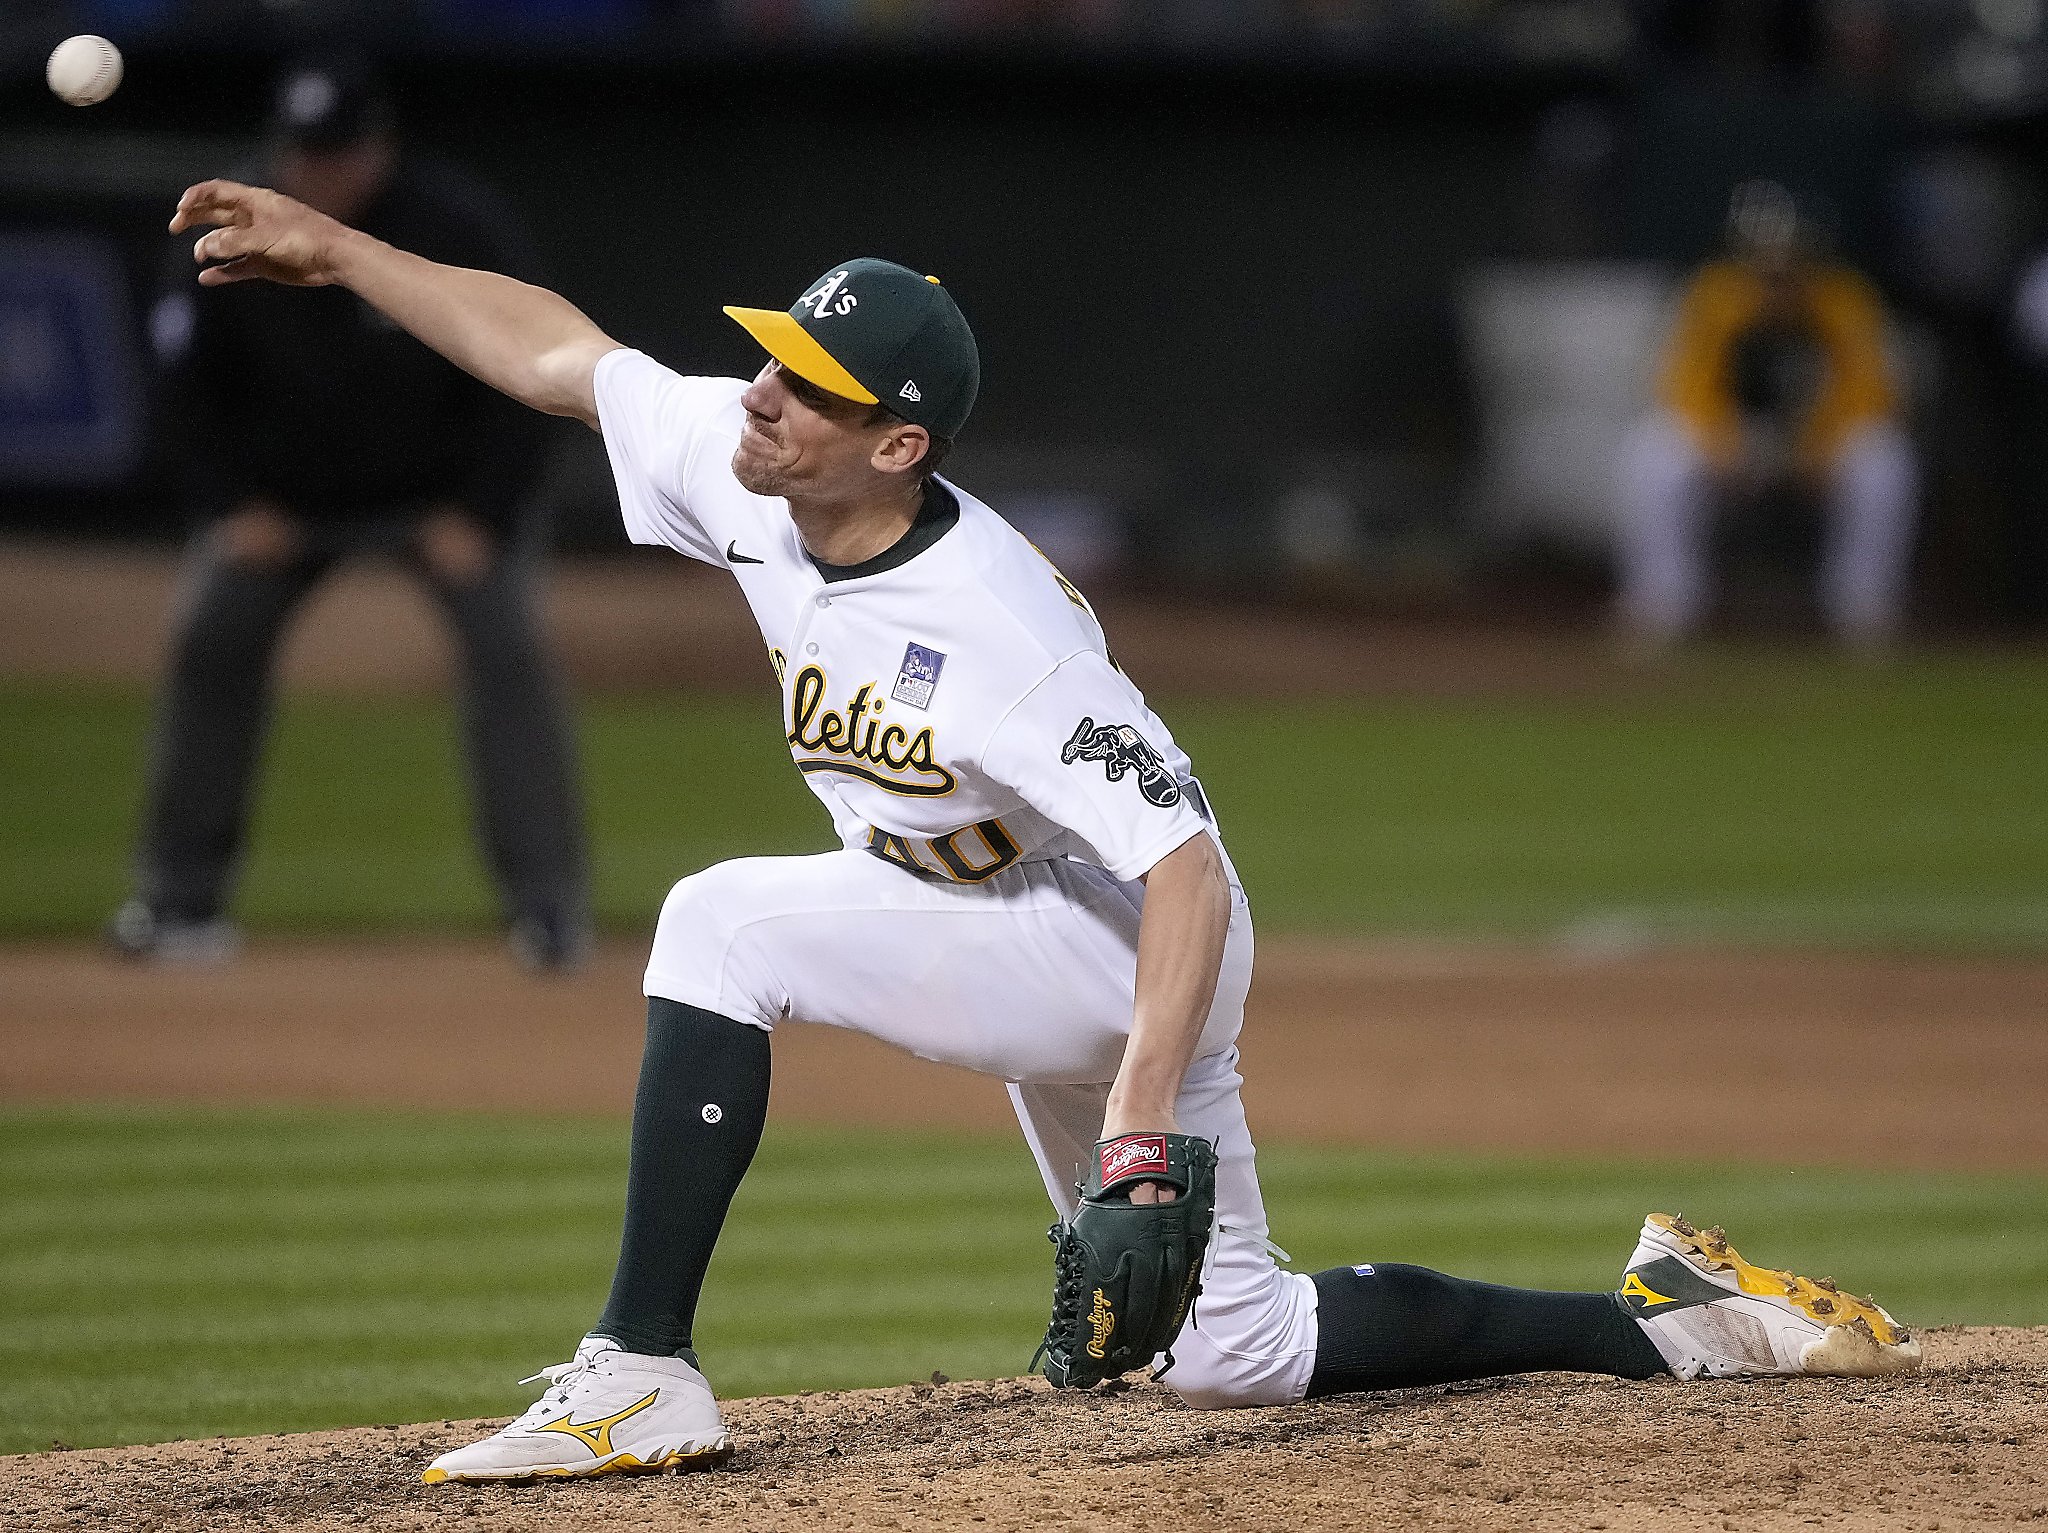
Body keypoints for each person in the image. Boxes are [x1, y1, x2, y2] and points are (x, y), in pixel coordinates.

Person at [164, 172, 1923, 1483]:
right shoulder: (757, 473)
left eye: (804, 385)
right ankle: (1679, 1321)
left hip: (1114, 945)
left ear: (898, 443)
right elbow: (558, 354)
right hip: (1007, 923)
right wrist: (339, 250)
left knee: (717, 918)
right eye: (767, 363)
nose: (759, 395)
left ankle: (638, 1365)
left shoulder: (998, 633)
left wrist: (1138, 1126)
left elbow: (1187, 869)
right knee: (1243, 1348)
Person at [112, 57, 589, 969]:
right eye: (306, 153)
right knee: (211, 636)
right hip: (281, 509)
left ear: (381, 148)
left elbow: (534, 371)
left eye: (340, 152)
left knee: (511, 654)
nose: (322, 172)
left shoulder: (454, 224)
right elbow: (179, 390)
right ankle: (176, 904)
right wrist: (231, 506)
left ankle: (547, 910)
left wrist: (482, 514)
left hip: (438, 504)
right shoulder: (231, 232)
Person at [1615, 180, 1919, 650]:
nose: (1777, 266)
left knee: (1884, 459)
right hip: (1736, 437)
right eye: (1764, 253)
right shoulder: (1716, 293)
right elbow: (1685, 386)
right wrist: (1724, 449)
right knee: (1654, 451)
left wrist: (1815, 450)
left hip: (1820, 438)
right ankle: (1664, 603)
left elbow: (1869, 392)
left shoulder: (1843, 299)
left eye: (1790, 253)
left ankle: (1865, 609)